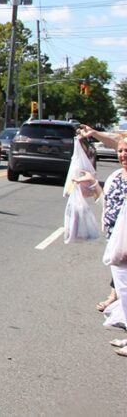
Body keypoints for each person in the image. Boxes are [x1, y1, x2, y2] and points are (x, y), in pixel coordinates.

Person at [76, 126, 127, 342]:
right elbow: (106, 202)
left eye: (126, 151)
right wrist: (92, 183)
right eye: (121, 151)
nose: (123, 155)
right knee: (124, 293)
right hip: (116, 242)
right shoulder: (116, 175)